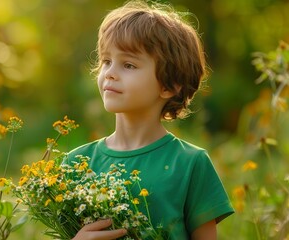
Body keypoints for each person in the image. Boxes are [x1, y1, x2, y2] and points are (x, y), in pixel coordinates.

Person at [66, 1, 234, 239]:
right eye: (106, 61)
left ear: (168, 85)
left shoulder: (190, 164)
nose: (110, 73)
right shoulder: (75, 164)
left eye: (128, 65)